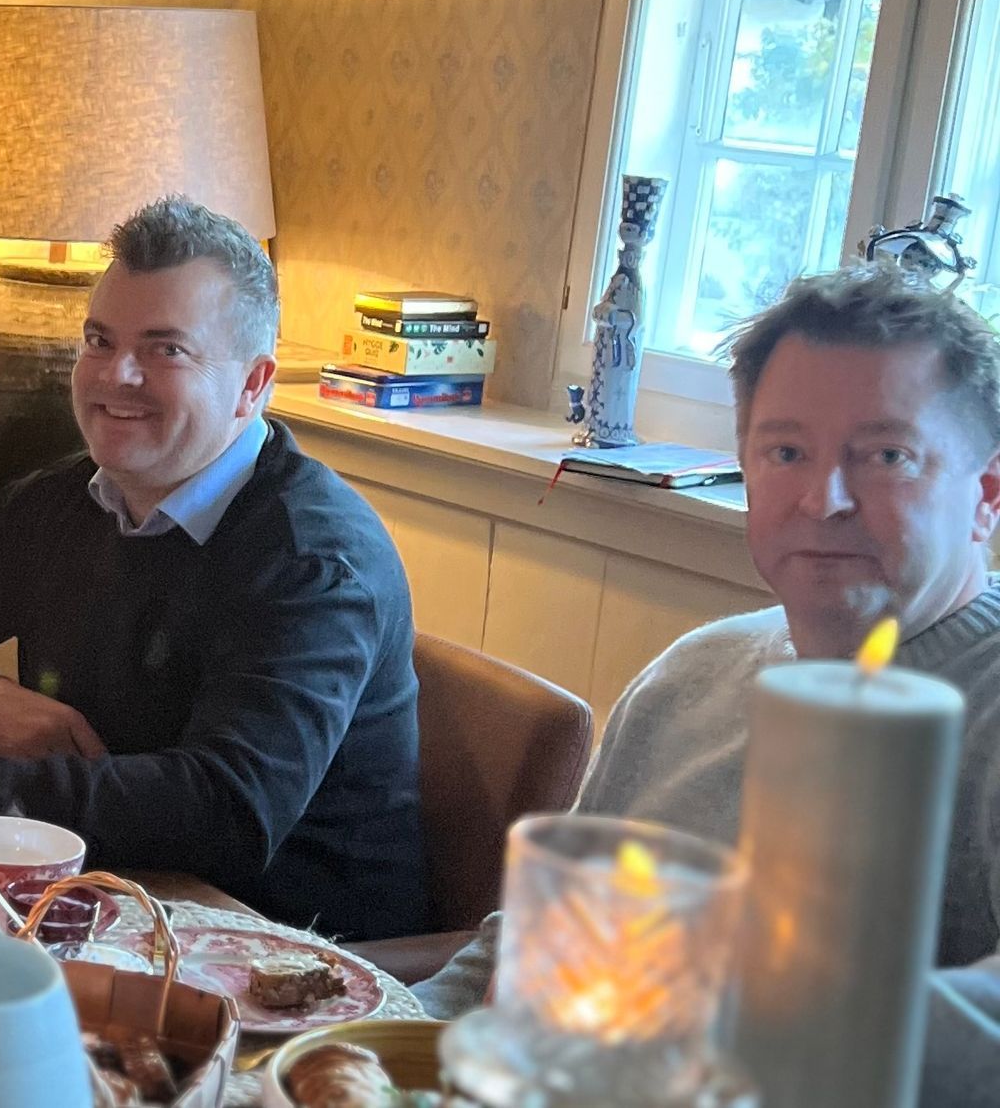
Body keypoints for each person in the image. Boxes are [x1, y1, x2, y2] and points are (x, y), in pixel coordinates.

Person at [0, 196, 425, 939]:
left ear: (253, 384)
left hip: (282, 954)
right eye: (99, 339)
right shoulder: (72, 499)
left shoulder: (312, 560)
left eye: (166, 349)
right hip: (98, 891)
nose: (115, 375)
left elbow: (225, 810)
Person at [415, 264, 1000, 1102]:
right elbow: (531, 951)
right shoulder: (693, 673)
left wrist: (714, 1008)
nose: (822, 497)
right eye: (787, 450)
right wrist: (363, 1049)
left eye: (886, 455)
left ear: (986, 493)